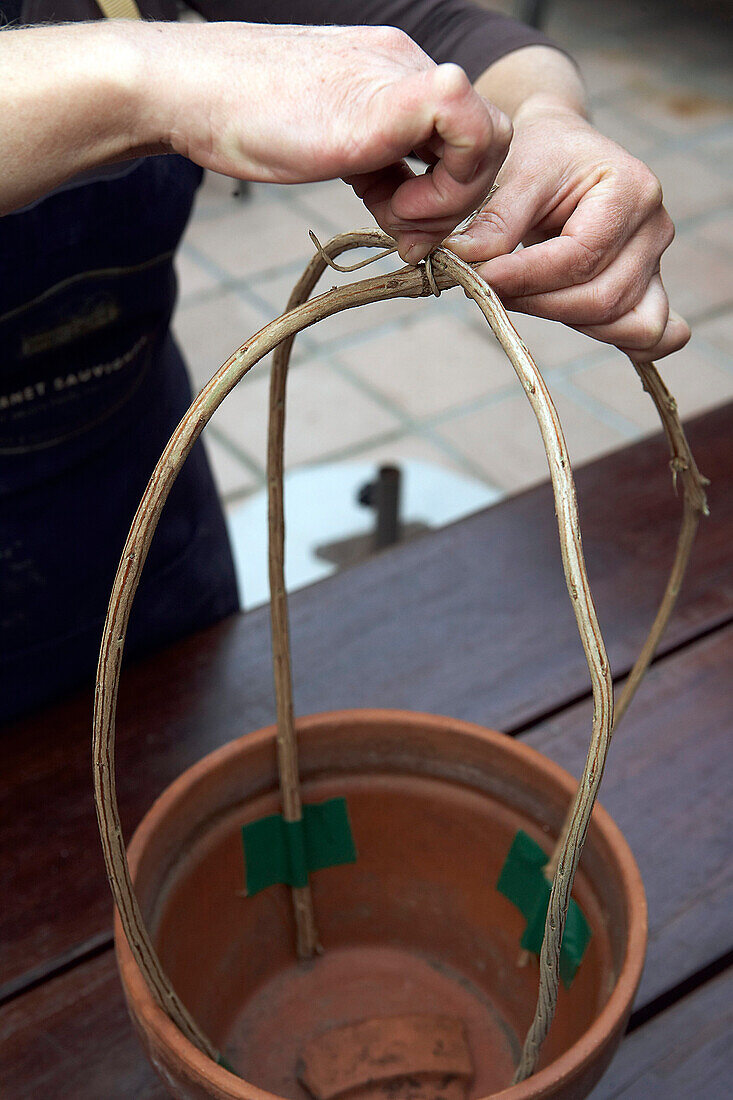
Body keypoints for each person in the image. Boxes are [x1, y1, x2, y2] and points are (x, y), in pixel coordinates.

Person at [0, 2, 686, 722]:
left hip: (132, 500)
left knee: (185, 743)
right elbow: (164, 77)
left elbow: (436, 29)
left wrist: (544, 117)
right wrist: (157, 78)